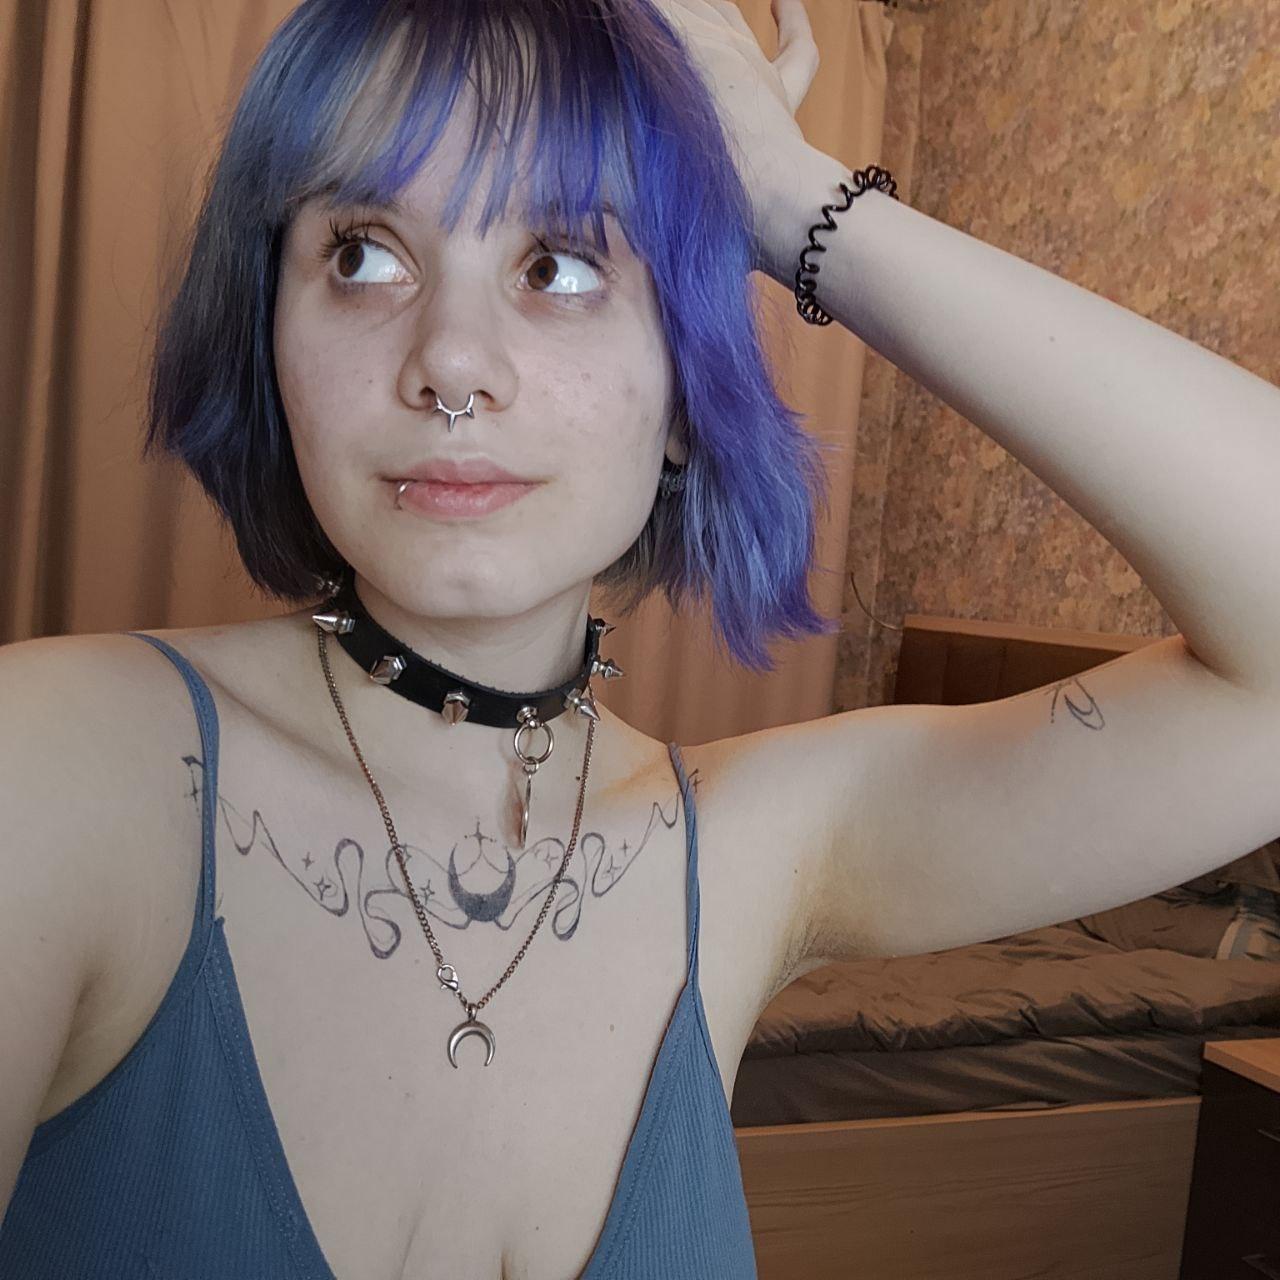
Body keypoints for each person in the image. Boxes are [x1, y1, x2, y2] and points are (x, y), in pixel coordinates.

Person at [2, 0, 1278, 1277]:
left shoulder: (748, 848)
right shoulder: (58, 766)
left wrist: (780, 191)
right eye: (362, 255)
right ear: (271, 335)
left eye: (561, 265)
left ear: (684, 393)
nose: (451, 361)